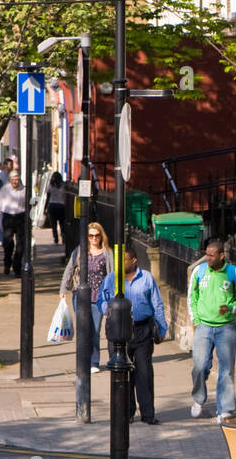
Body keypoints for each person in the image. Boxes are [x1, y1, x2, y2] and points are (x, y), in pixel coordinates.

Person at [98, 248, 168, 424]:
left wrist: (162, 328)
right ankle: (127, 413)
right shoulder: (111, 279)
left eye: (125, 260)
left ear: (134, 260)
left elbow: (157, 303)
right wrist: (110, 309)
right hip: (119, 330)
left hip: (142, 330)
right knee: (122, 373)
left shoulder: (146, 278)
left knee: (144, 373)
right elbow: (101, 301)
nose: (121, 265)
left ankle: (148, 414)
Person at [188, 237, 236, 424]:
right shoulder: (199, 271)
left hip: (226, 327)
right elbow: (192, 296)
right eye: (206, 254)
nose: (207, 258)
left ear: (221, 255)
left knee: (226, 370)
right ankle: (199, 399)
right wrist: (195, 319)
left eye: (211, 255)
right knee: (199, 366)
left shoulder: (233, 273)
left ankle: (225, 409)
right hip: (204, 326)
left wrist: (231, 308)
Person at [59, 222, 113, 371]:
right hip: (80, 295)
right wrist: (63, 289)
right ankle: (83, 361)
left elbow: (112, 275)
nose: (94, 238)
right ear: (87, 237)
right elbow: (69, 270)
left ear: (101, 236)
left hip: (99, 296)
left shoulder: (107, 253)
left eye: (96, 235)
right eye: (91, 235)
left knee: (95, 330)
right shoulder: (79, 251)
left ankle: (94, 362)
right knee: (83, 329)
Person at [0, 169, 27, 276]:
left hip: (20, 217)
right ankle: (7, 263)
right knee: (8, 243)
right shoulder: (5, 189)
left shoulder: (24, 190)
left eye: (16, 180)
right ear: (10, 180)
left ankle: (17, 267)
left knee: (21, 244)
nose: (15, 182)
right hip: (8, 217)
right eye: (13, 180)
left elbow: (29, 204)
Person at [45, 171, 67, 244]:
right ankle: (63, 236)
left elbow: (47, 198)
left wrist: (45, 208)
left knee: (53, 224)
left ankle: (56, 238)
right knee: (62, 223)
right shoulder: (63, 185)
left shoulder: (50, 185)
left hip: (52, 205)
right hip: (61, 206)